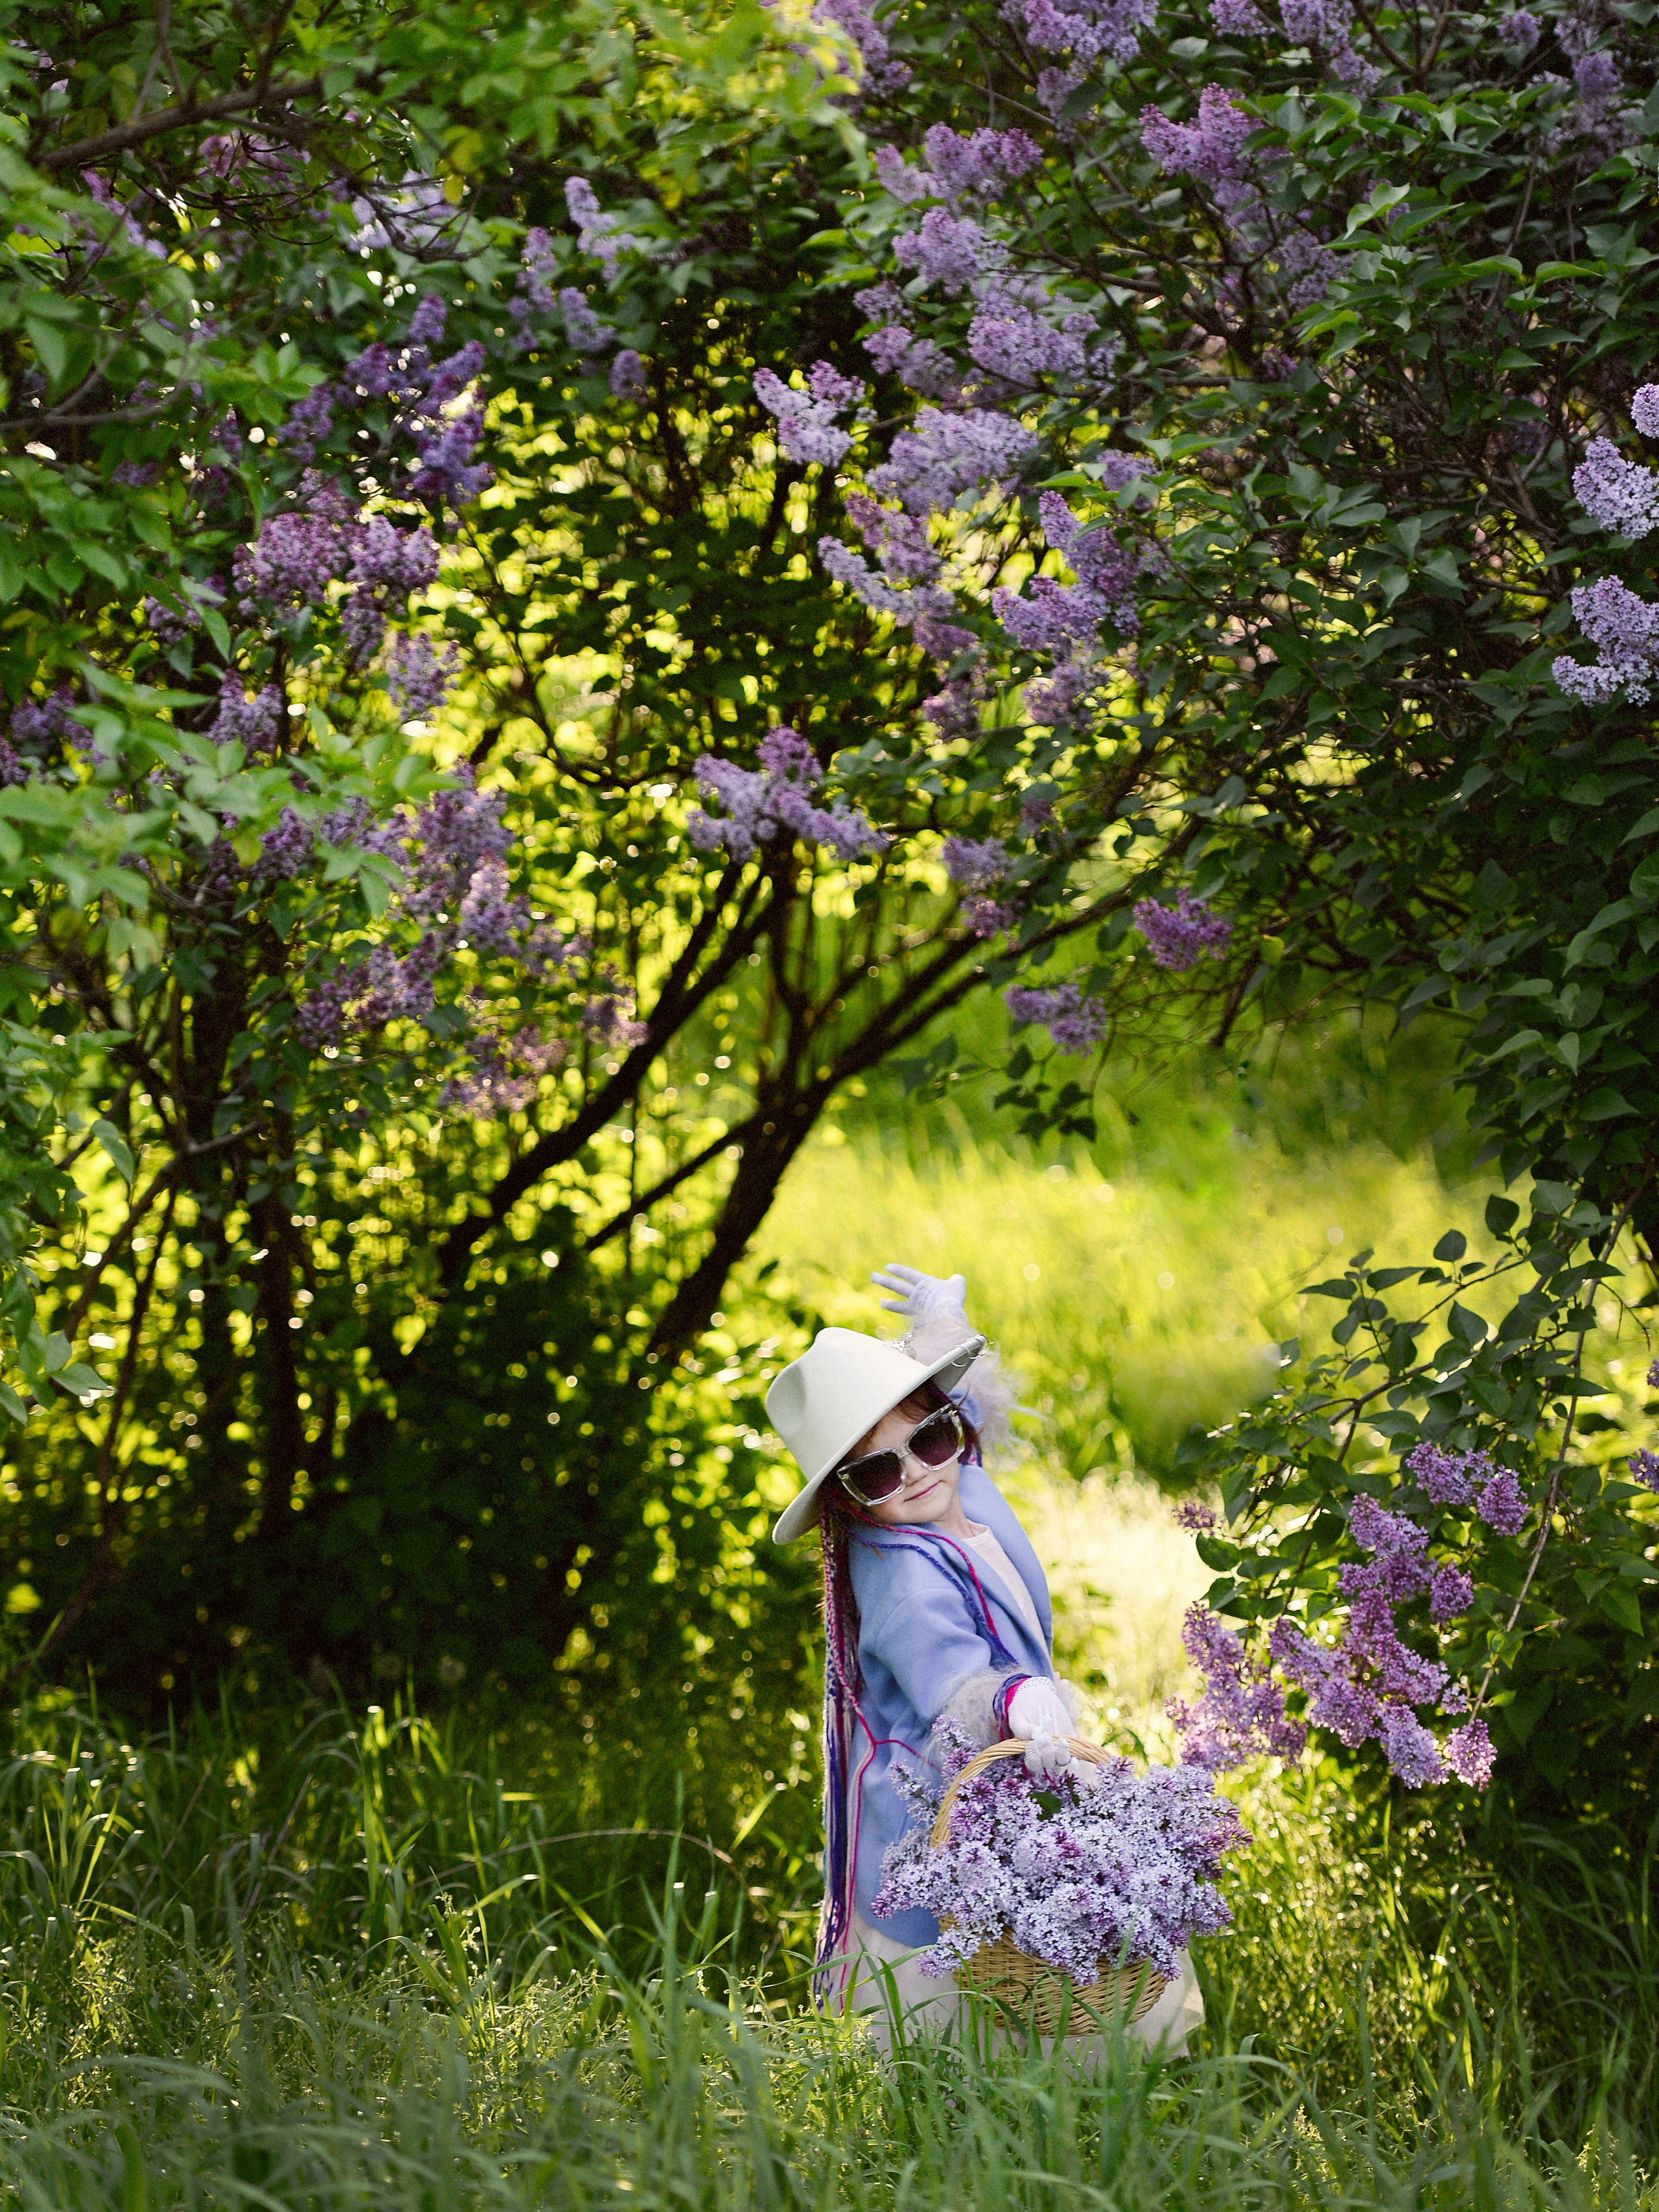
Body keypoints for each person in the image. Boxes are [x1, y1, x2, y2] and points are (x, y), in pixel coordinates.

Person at [766, 1262, 1203, 2053]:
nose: (918, 1468)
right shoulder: (898, 1569)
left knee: (1044, 1898)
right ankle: (964, 2078)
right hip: (942, 1780)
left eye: (929, 1436)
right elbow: (951, 1677)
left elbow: (959, 1405)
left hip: (1011, 1751)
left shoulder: (948, 1476)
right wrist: (1012, 1703)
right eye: (876, 1468)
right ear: (843, 1495)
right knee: (965, 1937)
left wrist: (941, 1332)